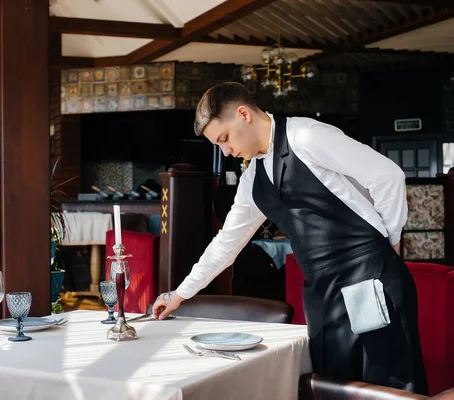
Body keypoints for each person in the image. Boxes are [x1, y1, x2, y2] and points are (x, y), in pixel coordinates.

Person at [151, 82, 428, 394]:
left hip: (368, 278)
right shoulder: (253, 178)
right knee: (333, 388)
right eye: (219, 145)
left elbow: (386, 176)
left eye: (224, 138)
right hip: (321, 292)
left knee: (387, 385)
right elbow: (226, 243)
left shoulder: (307, 136)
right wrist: (180, 294)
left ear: (243, 114)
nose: (226, 151)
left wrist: (387, 245)